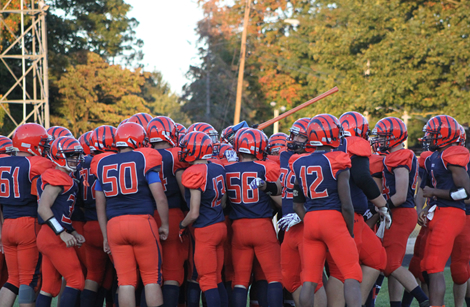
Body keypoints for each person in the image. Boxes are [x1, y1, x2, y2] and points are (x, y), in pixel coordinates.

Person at [92, 122, 169, 307]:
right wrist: (165, 224)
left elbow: (100, 205)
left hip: (114, 225)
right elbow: (160, 197)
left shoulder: (102, 163)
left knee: (125, 281)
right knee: (151, 278)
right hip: (141, 221)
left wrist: (105, 235)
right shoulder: (144, 158)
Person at [291, 114, 362, 307]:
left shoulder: (298, 162)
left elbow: (297, 204)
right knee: (352, 273)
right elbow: (346, 204)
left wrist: (311, 221)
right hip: (333, 218)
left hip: (311, 220)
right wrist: (349, 230)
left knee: (309, 280)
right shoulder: (338, 160)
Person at [370, 117, 429, 307]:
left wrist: (382, 207)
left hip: (401, 213)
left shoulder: (400, 156)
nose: (379, 140)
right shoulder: (394, 156)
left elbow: (401, 195)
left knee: (390, 264)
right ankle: (397, 304)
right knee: (392, 264)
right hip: (398, 213)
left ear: (394, 137)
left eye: (383, 136)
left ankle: (423, 300)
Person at [225, 128, 283, 307]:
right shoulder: (265, 168)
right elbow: (280, 201)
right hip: (262, 226)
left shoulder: (226, 170)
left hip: (238, 229)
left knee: (240, 281)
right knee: (274, 276)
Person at [0, 123, 54, 307]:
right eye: (42, 142)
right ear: (31, 143)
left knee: (13, 279)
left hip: (7, 223)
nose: (45, 147)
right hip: (27, 225)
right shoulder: (37, 163)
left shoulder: (2, 162)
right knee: (28, 280)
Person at [419, 115, 470, 307]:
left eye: (432, 135)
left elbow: (466, 191)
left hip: (451, 213)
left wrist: (436, 192)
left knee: (434, 266)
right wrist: (428, 205)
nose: (427, 138)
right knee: (424, 266)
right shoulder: (434, 156)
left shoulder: (453, 155)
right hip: (438, 210)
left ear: (444, 136)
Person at [179, 131, 228, 307]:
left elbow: (194, 212)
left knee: (206, 280)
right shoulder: (218, 167)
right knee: (217, 278)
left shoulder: (194, 172)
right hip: (220, 225)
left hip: (205, 230)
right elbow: (222, 203)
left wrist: (181, 225)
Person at [35, 137, 86, 307]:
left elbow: (60, 212)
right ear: (58, 156)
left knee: (48, 286)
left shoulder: (63, 176)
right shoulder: (58, 176)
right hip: (52, 235)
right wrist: (62, 233)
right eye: (71, 155)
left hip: (49, 234)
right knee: (76, 280)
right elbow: (43, 208)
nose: (75, 159)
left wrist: (72, 232)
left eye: (77, 155)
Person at [146, 116, 190, 307]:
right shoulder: (177, 155)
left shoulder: (141, 155)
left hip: (146, 217)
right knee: (173, 271)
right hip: (172, 214)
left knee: (148, 275)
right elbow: (185, 191)